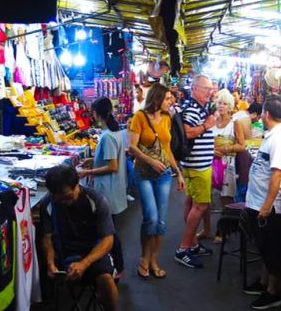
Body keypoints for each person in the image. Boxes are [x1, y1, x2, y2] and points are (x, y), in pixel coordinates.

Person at [39, 165, 119, 311]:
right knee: (48, 274)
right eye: (60, 199)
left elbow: (108, 240)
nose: (65, 202)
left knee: (105, 279)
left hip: (92, 251)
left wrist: (84, 263)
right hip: (63, 252)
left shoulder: (96, 200)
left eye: (69, 197)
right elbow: (47, 237)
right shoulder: (48, 203)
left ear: (77, 185)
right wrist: (50, 261)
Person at [128, 83, 185, 279]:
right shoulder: (139, 117)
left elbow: (166, 148)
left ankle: (154, 259)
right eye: (168, 98)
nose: (172, 102)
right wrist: (150, 161)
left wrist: (178, 171)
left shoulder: (167, 118)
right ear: (157, 98)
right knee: (150, 217)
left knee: (161, 221)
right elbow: (132, 147)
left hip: (164, 174)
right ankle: (144, 257)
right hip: (143, 173)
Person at [244, 96, 281, 310]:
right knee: (265, 247)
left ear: (266, 114)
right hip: (259, 202)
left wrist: (266, 206)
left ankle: (273, 292)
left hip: (270, 207)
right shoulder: (273, 135)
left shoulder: (280, 139)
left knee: (272, 249)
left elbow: (277, 175)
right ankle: (265, 283)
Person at [78, 97, 127, 277]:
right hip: (114, 189)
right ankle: (117, 265)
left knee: (109, 232)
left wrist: (87, 173)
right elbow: (110, 159)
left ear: (97, 113)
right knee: (110, 230)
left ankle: (118, 267)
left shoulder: (107, 136)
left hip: (108, 191)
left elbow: (112, 166)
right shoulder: (116, 132)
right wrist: (93, 160)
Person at [175, 74, 217, 269]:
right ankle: (183, 248)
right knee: (199, 206)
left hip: (196, 163)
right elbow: (188, 132)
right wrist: (206, 125)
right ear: (195, 88)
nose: (210, 92)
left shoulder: (195, 106)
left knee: (192, 202)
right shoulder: (192, 108)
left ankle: (192, 243)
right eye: (207, 89)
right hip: (198, 165)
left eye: (210, 89)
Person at [212, 89, 246, 208]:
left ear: (230, 106)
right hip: (212, 162)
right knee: (208, 197)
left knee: (226, 198)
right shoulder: (211, 122)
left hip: (228, 165)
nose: (221, 106)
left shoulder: (235, 123)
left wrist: (226, 148)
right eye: (220, 103)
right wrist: (212, 151)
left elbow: (242, 145)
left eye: (225, 103)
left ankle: (228, 224)